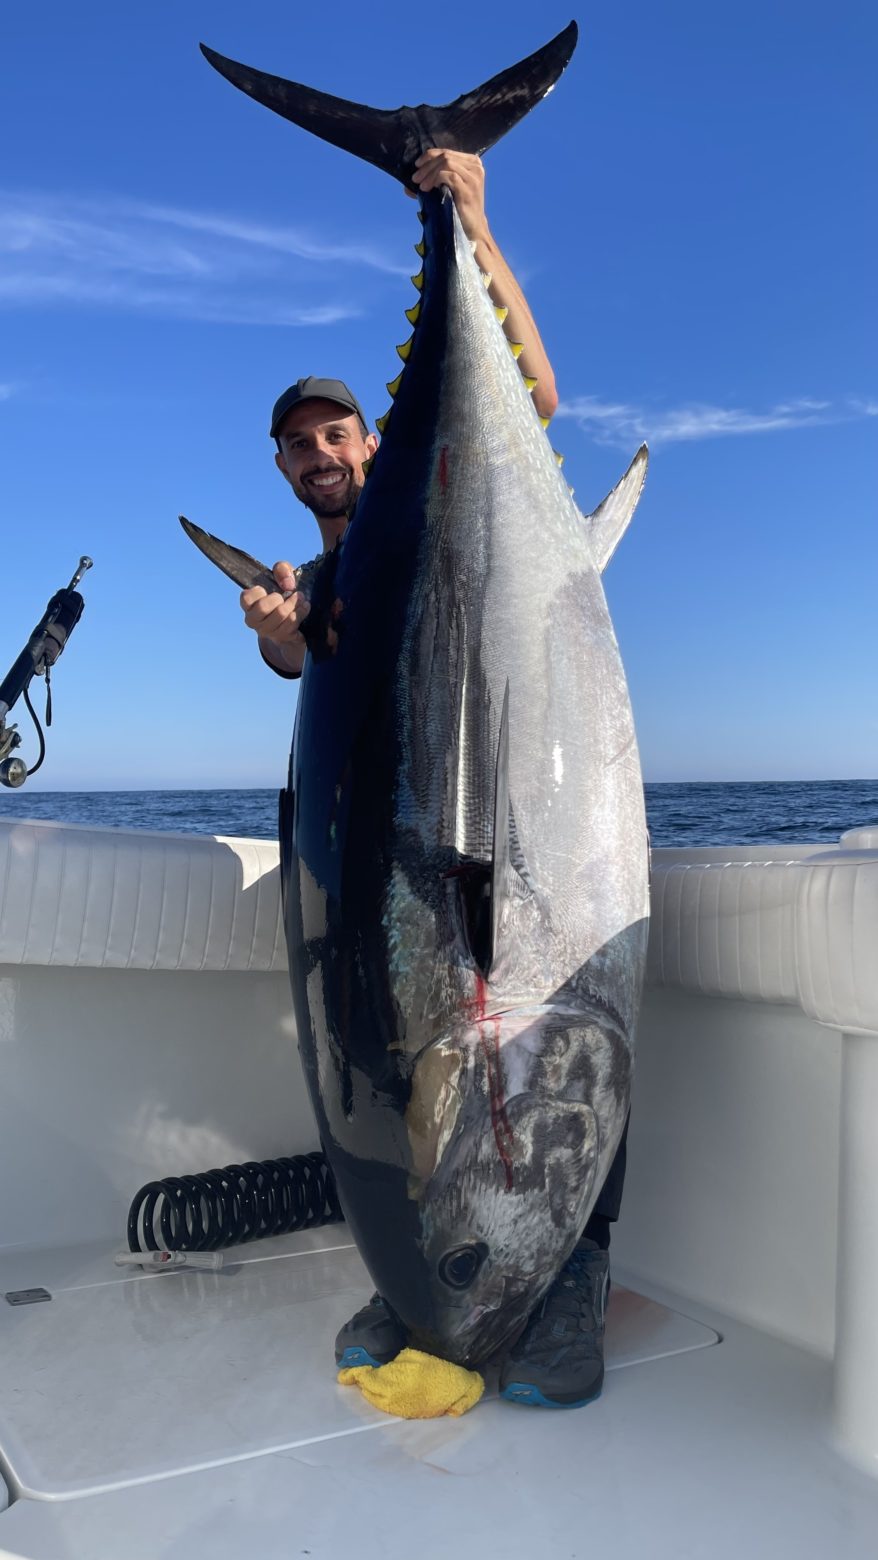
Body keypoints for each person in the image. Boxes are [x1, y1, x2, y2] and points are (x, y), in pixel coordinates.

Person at [240, 148, 628, 1409]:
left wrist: (470, 218)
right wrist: (279, 639)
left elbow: (543, 398)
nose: (317, 453)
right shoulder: (317, 586)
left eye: (333, 432)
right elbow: (311, 667)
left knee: (552, 1017)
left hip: (519, 822)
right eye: (295, 444)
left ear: (367, 438)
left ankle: (562, 1275)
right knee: (375, 1038)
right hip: (390, 864)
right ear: (286, 468)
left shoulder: (442, 490)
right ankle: (422, 1263)